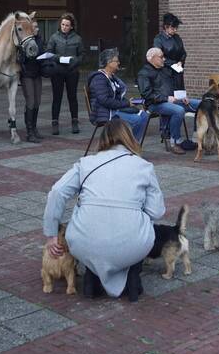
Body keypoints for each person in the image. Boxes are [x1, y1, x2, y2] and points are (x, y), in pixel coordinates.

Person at [43, 118, 165, 301]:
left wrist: (52, 234)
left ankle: (92, 276)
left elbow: (57, 192)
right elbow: (156, 211)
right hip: (131, 243)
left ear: (103, 139)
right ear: (130, 138)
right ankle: (130, 275)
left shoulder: (85, 164)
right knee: (145, 223)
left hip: (85, 242)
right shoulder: (145, 167)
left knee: (85, 215)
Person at [137, 47, 199, 154]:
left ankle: (197, 138)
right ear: (152, 58)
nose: (164, 59)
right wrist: (166, 98)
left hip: (173, 100)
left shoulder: (165, 69)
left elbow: (175, 85)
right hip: (155, 104)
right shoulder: (144, 73)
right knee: (178, 110)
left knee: (202, 105)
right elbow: (146, 94)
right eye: (161, 57)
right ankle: (174, 141)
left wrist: (182, 96)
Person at [87, 48, 149, 143]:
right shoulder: (99, 79)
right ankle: (128, 146)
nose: (119, 63)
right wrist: (126, 104)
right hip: (104, 112)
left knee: (144, 116)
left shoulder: (112, 77)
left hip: (114, 109)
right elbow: (104, 100)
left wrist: (128, 102)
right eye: (116, 61)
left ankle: (132, 145)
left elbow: (116, 97)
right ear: (108, 62)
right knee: (136, 120)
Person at [48, 12, 83, 135]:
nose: (64, 27)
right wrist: (58, 58)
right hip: (57, 72)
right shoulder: (54, 37)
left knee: (72, 97)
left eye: (67, 25)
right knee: (57, 98)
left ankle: (74, 122)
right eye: (63, 24)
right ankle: (55, 123)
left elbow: (82, 55)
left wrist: (75, 62)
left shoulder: (77, 39)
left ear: (71, 26)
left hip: (72, 72)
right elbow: (49, 53)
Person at [20, 21, 44, 143]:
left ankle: (34, 129)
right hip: (26, 75)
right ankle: (29, 132)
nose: (37, 29)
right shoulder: (23, 41)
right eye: (34, 27)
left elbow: (43, 53)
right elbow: (19, 58)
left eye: (37, 26)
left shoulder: (39, 40)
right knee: (31, 101)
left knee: (37, 102)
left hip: (37, 74)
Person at [154, 13, 186, 91]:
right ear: (166, 27)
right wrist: (172, 64)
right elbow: (158, 56)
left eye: (176, 28)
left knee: (180, 94)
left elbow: (183, 52)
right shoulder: (159, 39)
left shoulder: (177, 38)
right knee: (170, 94)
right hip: (165, 72)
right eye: (173, 28)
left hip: (178, 71)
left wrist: (181, 62)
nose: (175, 30)